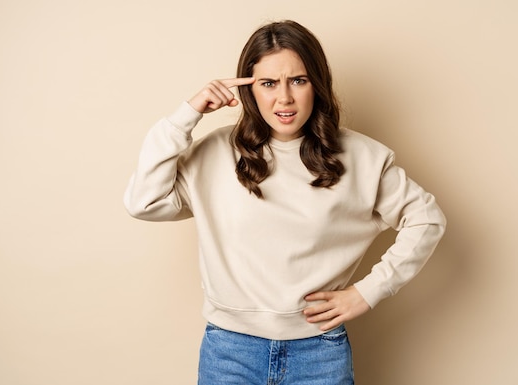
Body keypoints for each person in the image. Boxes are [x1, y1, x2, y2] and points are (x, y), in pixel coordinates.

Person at [124, 20, 446, 384]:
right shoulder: (214, 153)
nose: (284, 98)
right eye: (268, 83)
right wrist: (188, 114)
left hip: (319, 352)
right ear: (249, 88)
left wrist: (367, 293)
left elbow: (426, 220)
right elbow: (143, 202)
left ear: (317, 84)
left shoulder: (361, 157)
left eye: (298, 80)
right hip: (229, 352)